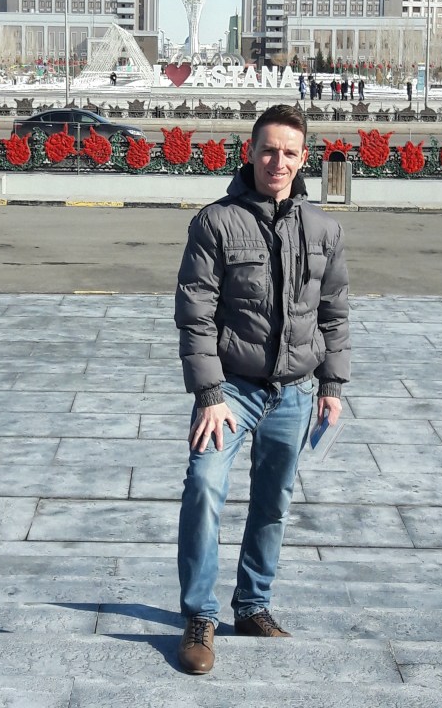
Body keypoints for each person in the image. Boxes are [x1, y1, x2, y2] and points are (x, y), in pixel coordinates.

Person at [174, 104, 350, 675]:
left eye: (289, 153)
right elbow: (195, 315)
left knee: (274, 502)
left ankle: (252, 605)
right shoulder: (215, 222)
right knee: (204, 486)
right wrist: (209, 394)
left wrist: (332, 385)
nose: (278, 161)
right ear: (250, 152)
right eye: (268, 150)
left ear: (304, 159)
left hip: (294, 392)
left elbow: (334, 312)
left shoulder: (324, 229)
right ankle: (199, 617)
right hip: (231, 391)